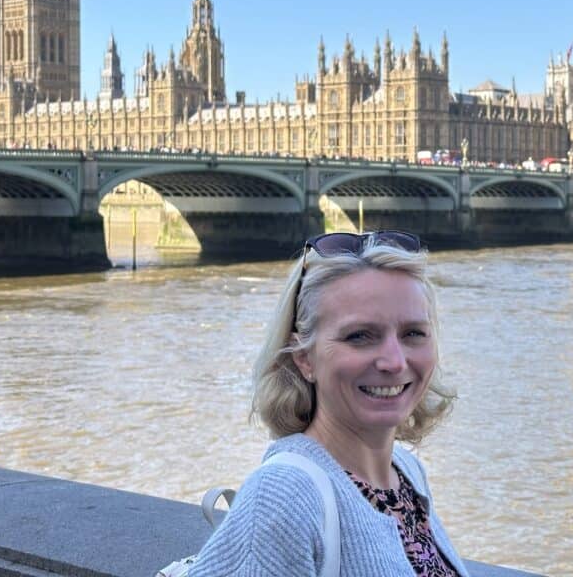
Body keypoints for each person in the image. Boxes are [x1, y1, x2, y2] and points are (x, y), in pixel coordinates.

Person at [190, 230, 467, 576]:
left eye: (413, 333)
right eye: (359, 336)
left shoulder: (407, 473)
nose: (394, 362)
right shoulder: (282, 497)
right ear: (305, 358)